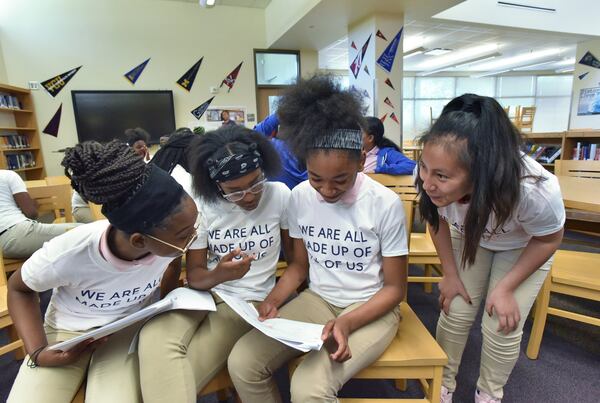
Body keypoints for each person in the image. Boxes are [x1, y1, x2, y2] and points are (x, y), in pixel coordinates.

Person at [227, 75, 409, 403]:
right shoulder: (298, 198)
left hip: (370, 306)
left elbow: (396, 289)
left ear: (360, 161)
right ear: (304, 165)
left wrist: (348, 322)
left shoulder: (385, 203)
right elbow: (298, 266)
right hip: (319, 299)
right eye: (316, 178)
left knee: (308, 388)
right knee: (242, 362)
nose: (327, 191)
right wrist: (274, 300)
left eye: (341, 180)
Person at [7, 140, 199, 403]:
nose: (193, 238)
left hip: (124, 331)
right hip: (67, 334)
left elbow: (173, 262)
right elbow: (19, 289)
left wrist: (166, 302)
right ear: (139, 241)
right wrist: (38, 350)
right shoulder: (70, 252)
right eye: (184, 236)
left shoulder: (168, 244)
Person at [416, 94, 564, 403]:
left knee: (501, 322)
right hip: (470, 237)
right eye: (424, 168)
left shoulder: (533, 188)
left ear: (481, 170)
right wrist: (450, 273)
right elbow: (436, 221)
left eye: (441, 176)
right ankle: (442, 384)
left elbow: (548, 238)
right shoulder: (434, 169)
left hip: (524, 245)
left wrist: (507, 288)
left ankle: (489, 393)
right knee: (455, 307)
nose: (428, 183)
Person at [138, 124, 292, 403]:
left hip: (247, 302)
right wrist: (220, 273)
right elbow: (196, 276)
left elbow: (295, 264)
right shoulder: (203, 204)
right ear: (215, 185)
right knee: (155, 337)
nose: (249, 196)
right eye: (234, 191)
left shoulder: (279, 195)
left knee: (173, 381)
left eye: (256, 183)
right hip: (204, 294)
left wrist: (275, 299)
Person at [0, 169, 78, 258]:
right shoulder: (8, 175)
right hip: (16, 235)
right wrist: (33, 205)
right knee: (86, 231)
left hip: (6, 243)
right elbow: (31, 213)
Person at [254, 113, 307, 189]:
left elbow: (252, 134)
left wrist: (281, 112)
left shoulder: (271, 147)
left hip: (278, 198)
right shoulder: (320, 154)